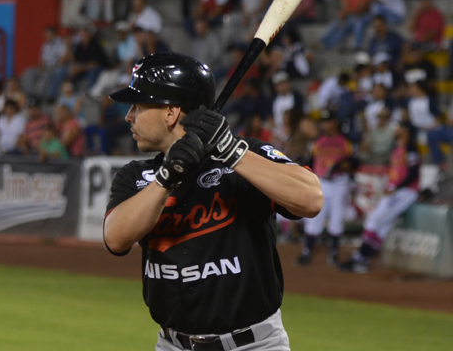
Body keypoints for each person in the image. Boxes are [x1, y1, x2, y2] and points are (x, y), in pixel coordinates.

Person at [104, 53, 322, 350]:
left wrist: (232, 151)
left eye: (138, 106)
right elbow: (116, 239)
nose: (129, 115)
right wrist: (167, 178)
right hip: (173, 344)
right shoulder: (138, 176)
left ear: (170, 113)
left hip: (253, 345)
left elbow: (311, 199)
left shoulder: (244, 158)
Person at [341, 122, 419, 273]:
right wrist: (389, 186)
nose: (396, 129)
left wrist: (395, 188)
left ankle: (358, 258)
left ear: (407, 132)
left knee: (374, 221)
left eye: (400, 127)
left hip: (406, 192)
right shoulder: (396, 148)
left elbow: (413, 173)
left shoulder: (411, 148)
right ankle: (362, 260)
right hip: (393, 190)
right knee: (379, 227)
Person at [298, 111, 353, 266]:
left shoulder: (345, 140)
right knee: (314, 217)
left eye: (328, 121)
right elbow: (310, 160)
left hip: (339, 182)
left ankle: (334, 252)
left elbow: (353, 162)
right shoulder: (318, 141)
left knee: (337, 218)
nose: (325, 124)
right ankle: (307, 251)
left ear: (335, 122)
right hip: (321, 182)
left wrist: (347, 166)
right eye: (324, 121)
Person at [21, 26, 70, 100]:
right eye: (45, 34)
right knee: (28, 72)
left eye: (48, 34)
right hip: (46, 66)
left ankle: (40, 96)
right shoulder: (45, 45)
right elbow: (42, 59)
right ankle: (30, 94)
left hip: (55, 66)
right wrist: (41, 67)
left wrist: (53, 67)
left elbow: (63, 58)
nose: (46, 36)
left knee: (46, 74)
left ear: (54, 34)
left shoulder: (60, 43)